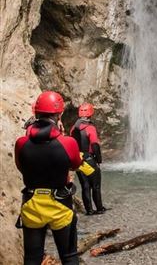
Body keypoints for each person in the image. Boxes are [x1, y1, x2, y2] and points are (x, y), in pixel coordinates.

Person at [15, 91, 82, 265]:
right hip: (60, 204)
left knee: (31, 259)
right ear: (59, 115)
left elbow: (21, 167)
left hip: (32, 205)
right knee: (69, 257)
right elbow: (75, 165)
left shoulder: (21, 143)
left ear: (35, 113)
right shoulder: (68, 143)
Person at [70, 103, 105, 215]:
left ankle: (89, 210)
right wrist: (98, 160)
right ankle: (99, 208)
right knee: (96, 185)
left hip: (79, 160)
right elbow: (95, 145)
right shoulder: (90, 128)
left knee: (85, 186)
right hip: (89, 159)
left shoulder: (73, 129)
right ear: (90, 113)